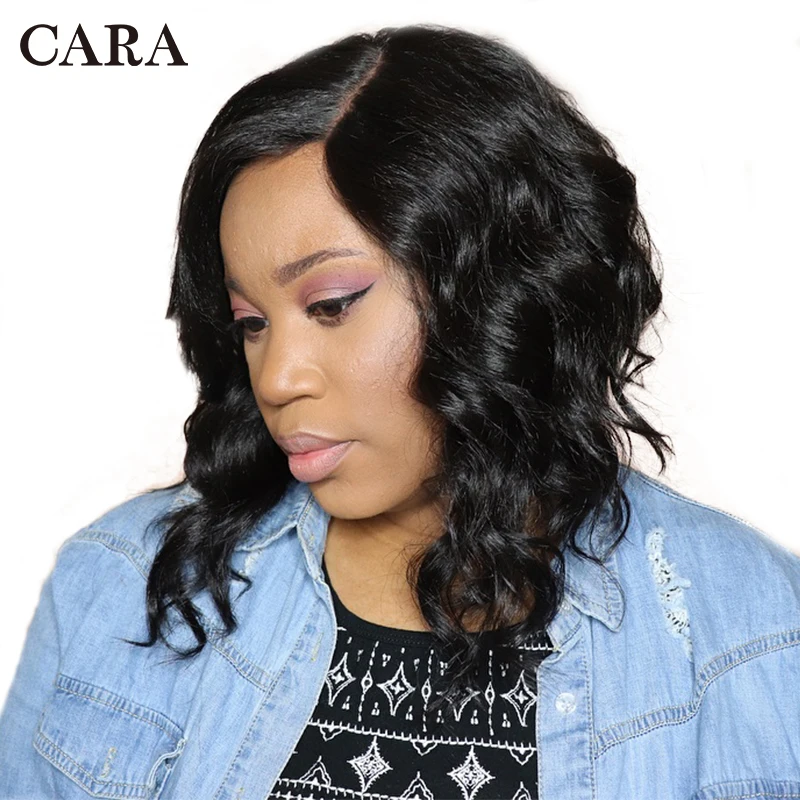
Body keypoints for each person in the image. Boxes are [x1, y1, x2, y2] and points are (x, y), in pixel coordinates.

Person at [1, 22, 798, 800]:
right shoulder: (120, 582)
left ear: (498, 293)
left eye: (332, 304)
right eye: (251, 323)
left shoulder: (751, 627)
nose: (277, 378)